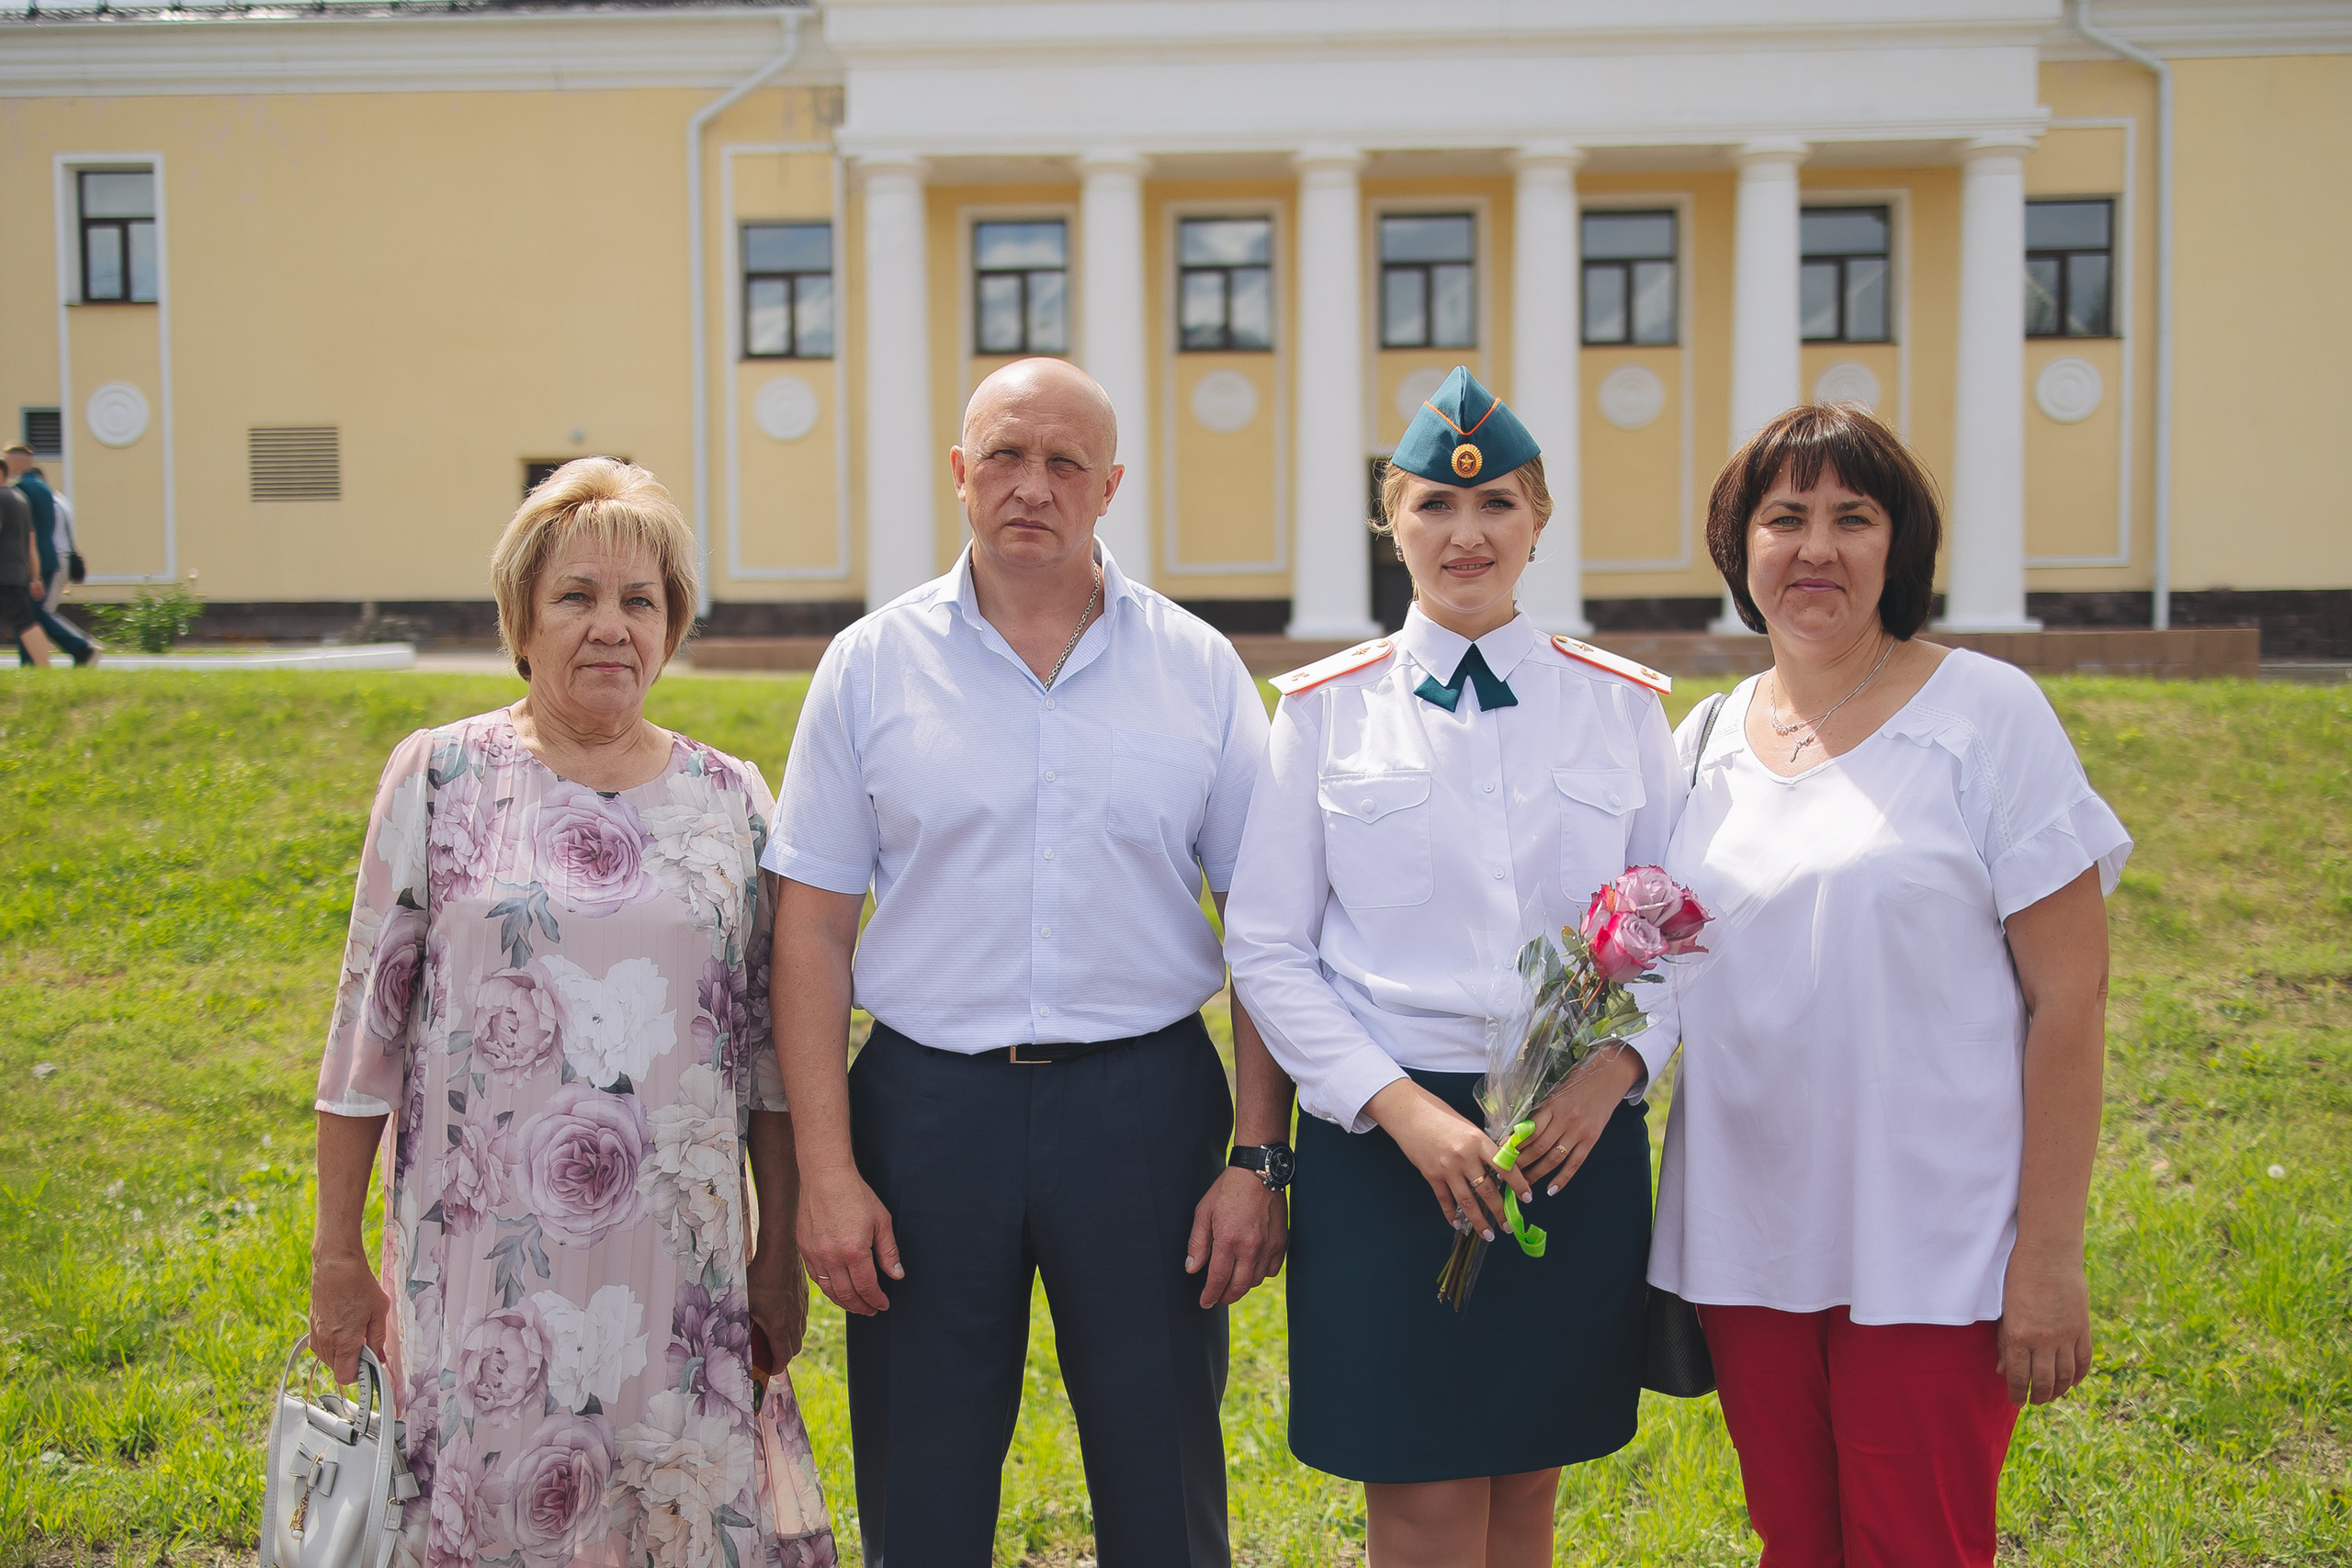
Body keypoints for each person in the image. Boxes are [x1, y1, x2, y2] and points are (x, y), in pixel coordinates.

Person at [769, 356, 1290, 1568]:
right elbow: (810, 927)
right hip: (927, 1112)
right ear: (960, 473)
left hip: (1145, 1111)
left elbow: (1263, 919)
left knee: (1163, 1479)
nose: (1030, 485)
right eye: (1004, 454)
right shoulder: (871, 663)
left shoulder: (1198, 668)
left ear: (1110, 486)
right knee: (925, 1484)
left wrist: (1259, 1155)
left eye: (1064, 462)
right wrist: (828, 1170)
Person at [308, 457, 825, 1568]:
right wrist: (335, 1254)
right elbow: (367, 1036)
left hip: (675, 1279)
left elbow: (774, 1067)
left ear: (672, 628)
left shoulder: (731, 800)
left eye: (641, 601)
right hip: (482, 1263)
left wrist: (777, 1253)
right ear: (522, 622)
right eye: (576, 597)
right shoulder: (440, 777)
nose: (610, 627)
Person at [1648, 402, 2130, 1568]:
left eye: (1851, 519)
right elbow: (1638, 981)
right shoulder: (1700, 740)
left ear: (1896, 548)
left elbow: (2069, 1001)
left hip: (1932, 1244)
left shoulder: (1986, 714)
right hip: (1749, 1238)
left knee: (1918, 1545)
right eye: (1785, 519)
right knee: (1796, 1542)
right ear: (1740, 549)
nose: (1816, 548)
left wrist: (2048, 1257)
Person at [1222, 367, 1685, 1568]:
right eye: (1432, 505)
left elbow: (1672, 922)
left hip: (1569, 1141)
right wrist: (1403, 1108)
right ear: (1393, 521)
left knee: (1530, 1474)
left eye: (1495, 508)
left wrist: (1616, 1066)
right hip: (1388, 1153)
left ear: (1538, 519)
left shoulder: (1621, 706)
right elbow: (1267, 946)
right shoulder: (1325, 711)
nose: (1464, 534)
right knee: (1422, 1493)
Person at [3, 445, 96, 665]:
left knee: (30, 614)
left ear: (14, 462)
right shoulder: (45, 488)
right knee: (30, 614)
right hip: (52, 556)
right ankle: (34, 664)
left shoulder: (19, 490)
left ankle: (80, 648)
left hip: (34, 560)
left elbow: (28, 533)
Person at [0, 475, 52, 671]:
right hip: (16, 572)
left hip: (3, 574)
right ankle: (44, 668)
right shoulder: (20, 498)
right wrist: (35, 576)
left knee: (25, 622)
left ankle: (44, 669)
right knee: (25, 621)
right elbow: (31, 543)